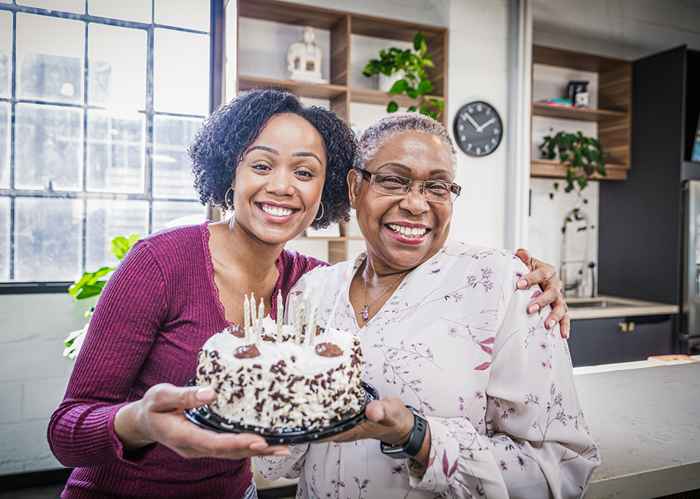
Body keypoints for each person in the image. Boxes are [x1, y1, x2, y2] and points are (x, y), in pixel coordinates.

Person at [47, 89, 568, 498]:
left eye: (304, 172)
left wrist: (527, 278)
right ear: (229, 169)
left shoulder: (312, 284)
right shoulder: (159, 263)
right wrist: (139, 422)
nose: (282, 186)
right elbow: (65, 430)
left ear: (327, 190)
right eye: (261, 164)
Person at [257, 113, 599, 498]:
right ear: (355, 187)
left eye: (437, 186)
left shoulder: (504, 285)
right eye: (392, 179)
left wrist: (417, 436)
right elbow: (282, 460)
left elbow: (562, 467)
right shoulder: (311, 292)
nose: (416, 204)